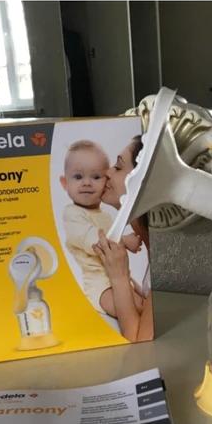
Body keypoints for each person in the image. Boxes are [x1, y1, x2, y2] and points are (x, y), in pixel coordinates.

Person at [60, 139, 142, 319]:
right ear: (64, 183)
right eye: (78, 177)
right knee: (138, 307)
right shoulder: (72, 214)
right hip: (100, 287)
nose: (87, 183)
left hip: (119, 279)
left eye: (96, 177)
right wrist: (125, 240)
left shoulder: (105, 215)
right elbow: (94, 242)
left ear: (106, 180)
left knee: (145, 299)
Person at [93, 135, 154, 342]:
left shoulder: (168, 261)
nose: (107, 173)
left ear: (143, 183)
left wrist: (119, 277)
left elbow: (142, 346)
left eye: (118, 167)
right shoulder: (154, 252)